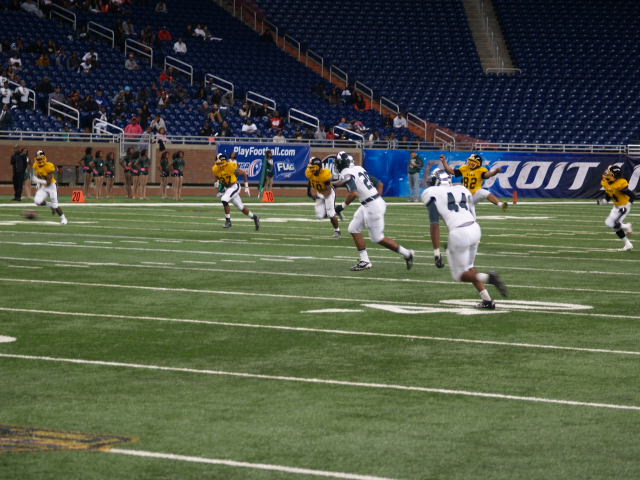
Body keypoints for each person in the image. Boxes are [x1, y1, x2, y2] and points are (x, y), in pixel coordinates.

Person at [421, 168, 507, 309]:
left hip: (459, 232)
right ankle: (487, 300)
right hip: (474, 228)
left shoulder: (431, 193)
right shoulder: (462, 189)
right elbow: (471, 212)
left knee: (460, 275)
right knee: (469, 267)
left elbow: (434, 223)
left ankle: (490, 278)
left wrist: (436, 252)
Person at [333, 152, 414, 270]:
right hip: (372, 202)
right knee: (353, 228)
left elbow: (354, 193)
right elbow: (379, 183)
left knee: (377, 238)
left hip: (371, 205)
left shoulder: (346, 172)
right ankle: (365, 261)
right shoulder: (358, 168)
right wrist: (375, 198)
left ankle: (407, 253)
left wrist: (342, 206)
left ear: (341, 163)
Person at [440, 153, 508, 210]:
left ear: (478, 164)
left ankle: (500, 204)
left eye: (473, 162)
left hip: (474, 195)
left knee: (483, 192)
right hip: (464, 196)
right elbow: (451, 171)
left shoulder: (481, 170)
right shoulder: (465, 168)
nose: (470, 163)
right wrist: (444, 162)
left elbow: (487, 175)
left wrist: (495, 172)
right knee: (471, 218)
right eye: (470, 161)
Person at [211, 153, 260, 230]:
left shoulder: (230, 166)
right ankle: (255, 217)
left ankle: (228, 221)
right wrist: (216, 182)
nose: (220, 165)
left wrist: (246, 186)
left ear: (225, 162)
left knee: (224, 199)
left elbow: (244, 174)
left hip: (234, 186)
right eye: (218, 163)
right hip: (227, 189)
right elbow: (217, 176)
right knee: (241, 208)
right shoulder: (215, 169)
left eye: (221, 163)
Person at [597, 164, 635, 251]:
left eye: (609, 173)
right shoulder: (605, 182)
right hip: (616, 207)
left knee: (615, 223)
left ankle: (627, 226)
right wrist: (604, 201)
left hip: (624, 206)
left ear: (615, 176)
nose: (607, 174)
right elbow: (609, 194)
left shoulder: (621, 183)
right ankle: (628, 244)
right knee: (609, 223)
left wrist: (627, 205)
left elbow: (632, 195)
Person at [306, 156, 341, 238]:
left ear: (318, 167)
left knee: (330, 214)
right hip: (320, 191)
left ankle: (337, 230)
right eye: (310, 167)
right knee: (320, 214)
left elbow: (328, 191)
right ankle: (336, 211)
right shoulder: (310, 173)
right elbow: (310, 181)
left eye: (313, 167)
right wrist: (309, 193)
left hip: (329, 192)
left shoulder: (325, 174)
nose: (311, 169)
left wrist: (322, 197)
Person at [32, 150, 67, 224]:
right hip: (44, 187)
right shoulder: (35, 165)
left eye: (40, 158)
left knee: (55, 206)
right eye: (38, 159)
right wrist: (38, 183)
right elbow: (39, 174)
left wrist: (38, 180)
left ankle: (63, 219)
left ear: (44, 158)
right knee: (37, 201)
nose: (39, 160)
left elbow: (48, 182)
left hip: (52, 186)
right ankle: (51, 205)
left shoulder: (49, 166)